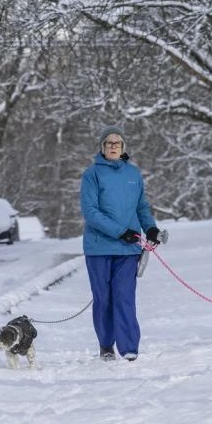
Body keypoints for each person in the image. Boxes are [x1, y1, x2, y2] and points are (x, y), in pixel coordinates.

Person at [79, 126, 159, 361]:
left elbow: (141, 206)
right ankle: (106, 345)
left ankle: (129, 347)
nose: (113, 146)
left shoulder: (133, 174)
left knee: (124, 296)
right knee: (103, 298)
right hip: (98, 248)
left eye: (117, 143)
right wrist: (119, 232)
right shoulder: (92, 174)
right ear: (102, 147)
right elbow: (90, 212)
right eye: (108, 143)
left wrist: (150, 227)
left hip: (128, 248)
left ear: (123, 147)